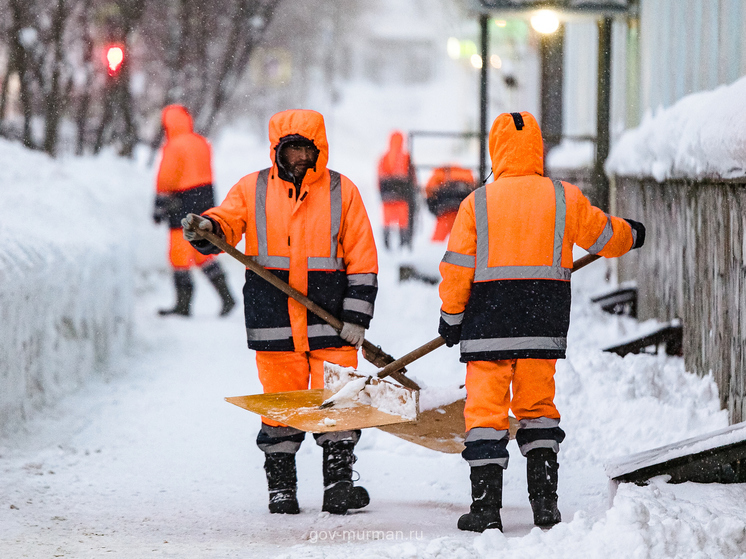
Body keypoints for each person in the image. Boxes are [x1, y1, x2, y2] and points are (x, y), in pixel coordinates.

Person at [437, 112, 645, 533]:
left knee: (485, 416)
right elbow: (605, 236)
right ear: (537, 149)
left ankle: (485, 509)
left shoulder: (477, 203)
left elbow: (457, 269)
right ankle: (545, 505)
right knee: (538, 412)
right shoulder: (562, 197)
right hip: (541, 324)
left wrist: (451, 318)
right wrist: (633, 233)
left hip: (488, 327)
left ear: (496, 150)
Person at [182, 109, 378, 516]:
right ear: (278, 150)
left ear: (320, 149)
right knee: (280, 406)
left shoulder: (343, 192)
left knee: (338, 402)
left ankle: (338, 485)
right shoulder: (253, 189)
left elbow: (363, 259)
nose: (301, 159)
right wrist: (207, 227)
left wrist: (357, 317)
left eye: (308, 150)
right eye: (292, 150)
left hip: (331, 322)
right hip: (275, 322)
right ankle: (282, 488)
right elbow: (226, 223)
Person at [153, 104, 235, 317]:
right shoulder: (201, 142)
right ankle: (226, 296)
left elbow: (167, 179)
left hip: (181, 203)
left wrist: (159, 205)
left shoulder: (174, 146)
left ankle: (183, 304)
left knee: (178, 254)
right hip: (205, 200)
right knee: (201, 251)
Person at [377, 131, 416, 250]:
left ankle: (386, 245)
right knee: (403, 222)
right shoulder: (406, 157)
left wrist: (382, 193)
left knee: (386, 222)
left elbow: (379, 177)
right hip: (402, 198)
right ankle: (403, 246)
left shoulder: (384, 157)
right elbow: (412, 177)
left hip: (387, 198)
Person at [424, 165, 476, 242]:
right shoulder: (467, 174)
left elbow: (429, 195)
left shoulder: (437, 174)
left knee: (437, 244)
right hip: (461, 215)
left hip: (444, 214)